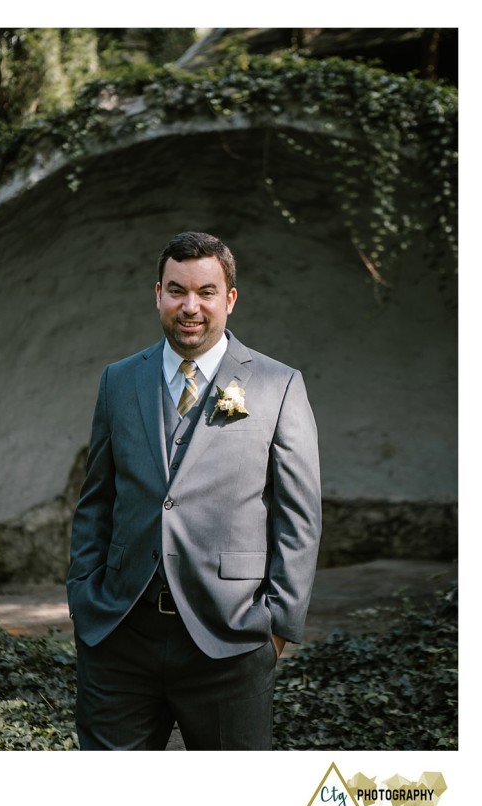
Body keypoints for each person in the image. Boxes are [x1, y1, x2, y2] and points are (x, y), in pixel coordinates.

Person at [67, 231, 321, 750]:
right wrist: (83, 597)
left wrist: (277, 627)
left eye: (205, 292)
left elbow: (299, 516)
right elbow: (97, 498)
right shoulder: (118, 380)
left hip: (231, 635)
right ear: (157, 293)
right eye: (177, 290)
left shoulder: (278, 384)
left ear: (229, 298)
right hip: (120, 634)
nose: (190, 306)